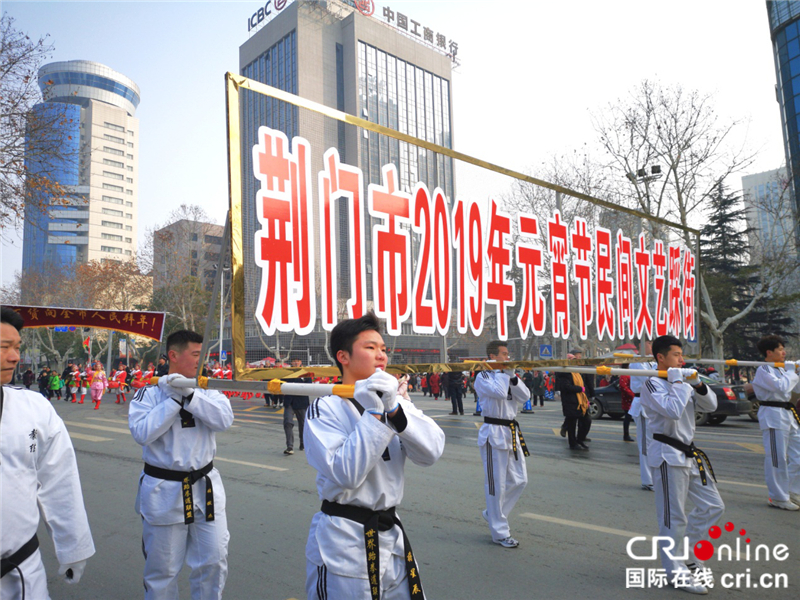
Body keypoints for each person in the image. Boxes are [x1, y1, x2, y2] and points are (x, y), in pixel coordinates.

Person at [304, 312, 445, 599]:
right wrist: (377, 413)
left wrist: (395, 410)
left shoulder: (393, 401)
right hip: (346, 537)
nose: (381, 356)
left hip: (391, 531)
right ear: (343, 356)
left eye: (383, 349)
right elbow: (346, 472)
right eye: (370, 348)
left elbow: (431, 451)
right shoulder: (325, 408)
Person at [129, 330, 234, 599]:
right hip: (165, 490)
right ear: (174, 355)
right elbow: (142, 432)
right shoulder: (149, 394)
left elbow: (223, 420)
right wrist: (175, 398)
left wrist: (191, 395)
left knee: (213, 560)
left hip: (204, 487)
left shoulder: (207, 389)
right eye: (196, 355)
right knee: (163, 571)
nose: (202, 361)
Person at [0, 306, 95, 599]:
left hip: (20, 571)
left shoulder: (34, 408)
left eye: (17, 347)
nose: (15, 357)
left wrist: (73, 548)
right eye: (4, 347)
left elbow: (59, 479)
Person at [640, 335, 723, 595]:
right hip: (667, 454)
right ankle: (675, 571)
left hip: (689, 453)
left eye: (681, 354)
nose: (682, 359)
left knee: (713, 505)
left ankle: (689, 556)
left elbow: (711, 405)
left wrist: (698, 384)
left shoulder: (682, 382)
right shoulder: (653, 383)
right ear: (661, 358)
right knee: (673, 517)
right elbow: (673, 410)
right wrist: (678, 380)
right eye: (676, 355)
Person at [474, 340, 531, 548]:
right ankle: (500, 532)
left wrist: (513, 376)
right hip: (493, 432)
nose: (508, 357)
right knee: (495, 484)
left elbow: (525, 396)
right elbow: (498, 392)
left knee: (520, 479)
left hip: (511, 431)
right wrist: (503, 373)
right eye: (504, 354)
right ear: (493, 356)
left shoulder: (508, 375)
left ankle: (493, 513)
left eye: (508, 354)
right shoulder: (483, 375)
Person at [751, 335, 800, 510]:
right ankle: (778, 497)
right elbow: (781, 387)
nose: (784, 352)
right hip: (773, 414)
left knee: (798, 455)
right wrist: (791, 372)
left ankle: (792, 491)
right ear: (769, 352)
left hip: (788, 414)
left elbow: (796, 388)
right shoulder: (764, 369)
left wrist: (796, 372)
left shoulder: (782, 369)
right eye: (780, 349)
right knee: (777, 457)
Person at [629, 341, 655, 491]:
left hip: (653, 403)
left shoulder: (652, 361)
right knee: (646, 444)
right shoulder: (638, 361)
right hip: (643, 403)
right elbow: (649, 380)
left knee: (654, 443)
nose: (651, 346)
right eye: (649, 343)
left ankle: (654, 477)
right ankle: (648, 480)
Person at [556, 353, 592, 451]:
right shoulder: (565, 372)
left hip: (581, 401)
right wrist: (580, 388)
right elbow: (565, 387)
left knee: (586, 421)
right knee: (572, 424)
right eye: (572, 359)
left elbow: (586, 385)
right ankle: (573, 443)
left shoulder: (578, 372)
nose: (575, 361)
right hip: (571, 402)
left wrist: (586, 397)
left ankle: (580, 439)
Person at [284, 358, 310, 456]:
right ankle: (289, 446)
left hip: (301, 402)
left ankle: (303, 443)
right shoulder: (287, 372)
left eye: (298, 361)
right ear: (291, 362)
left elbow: (309, 385)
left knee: (303, 424)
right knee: (288, 422)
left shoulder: (305, 372)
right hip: (289, 401)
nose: (296, 362)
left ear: (301, 362)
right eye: (294, 360)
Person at [619, 367, 635, 442]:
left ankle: (626, 434)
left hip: (631, 398)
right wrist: (632, 394)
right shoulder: (624, 374)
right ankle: (626, 434)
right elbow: (623, 387)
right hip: (628, 399)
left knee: (629, 417)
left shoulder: (629, 373)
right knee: (628, 417)